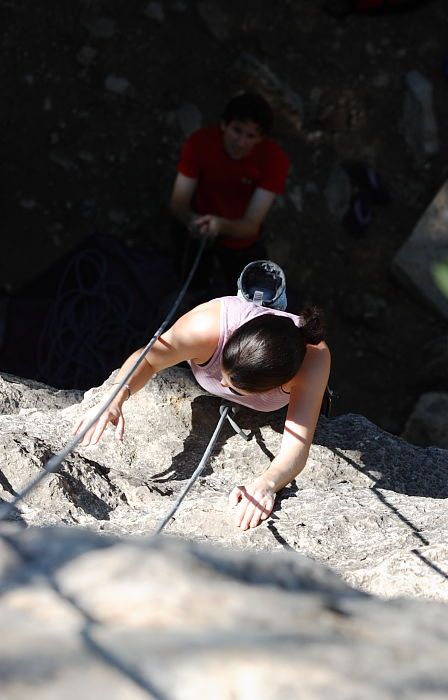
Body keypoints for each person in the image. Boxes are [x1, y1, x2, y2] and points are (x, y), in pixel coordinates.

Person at [73, 293, 331, 531]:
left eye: (235, 389)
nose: (221, 385)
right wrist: (117, 395)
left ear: (277, 385)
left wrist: (266, 484)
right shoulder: (206, 326)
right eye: (222, 372)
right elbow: (150, 358)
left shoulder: (314, 361)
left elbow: (296, 447)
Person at [169, 92, 290, 291]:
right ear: (224, 125)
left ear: (260, 139)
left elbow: (251, 225)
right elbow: (178, 202)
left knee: (252, 296)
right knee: (191, 286)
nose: (240, 142)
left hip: (240, 239)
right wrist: (192, 220)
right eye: (237, 130)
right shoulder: (200, 143)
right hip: (198, 228)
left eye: (250, 136)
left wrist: (219, 226)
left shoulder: (274, 160)